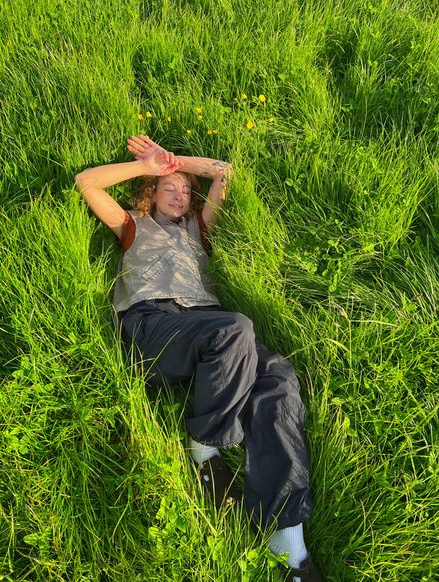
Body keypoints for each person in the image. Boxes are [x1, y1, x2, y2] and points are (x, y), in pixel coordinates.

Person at [75, 135, 323, 582]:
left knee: (279, 378)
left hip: (210, 329)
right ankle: (207, 448)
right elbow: (87, 183)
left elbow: (224, 170)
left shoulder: (198, 229)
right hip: (154, 325)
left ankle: (287, 537)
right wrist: (150, 166)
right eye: (170, 187)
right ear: (151, 193)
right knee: (236, 328)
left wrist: (177, 163)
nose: (180, 193)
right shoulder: (132, 224)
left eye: (186, 190)